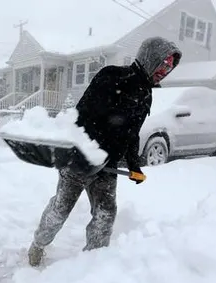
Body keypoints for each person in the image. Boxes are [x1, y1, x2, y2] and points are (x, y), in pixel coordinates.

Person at [27, 36, 182, 267]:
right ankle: (38, 245)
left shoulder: (146, 94)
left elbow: (132, 134)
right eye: (163, 62)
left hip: (107, 167)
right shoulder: (112, 76)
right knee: (60, 209)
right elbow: (81, 115)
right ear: (150, 58)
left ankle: (93, 264)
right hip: (79, 159)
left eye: (170, 65)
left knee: (105, 215)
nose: (165, 69)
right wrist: (85, 150)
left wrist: (134, 165)